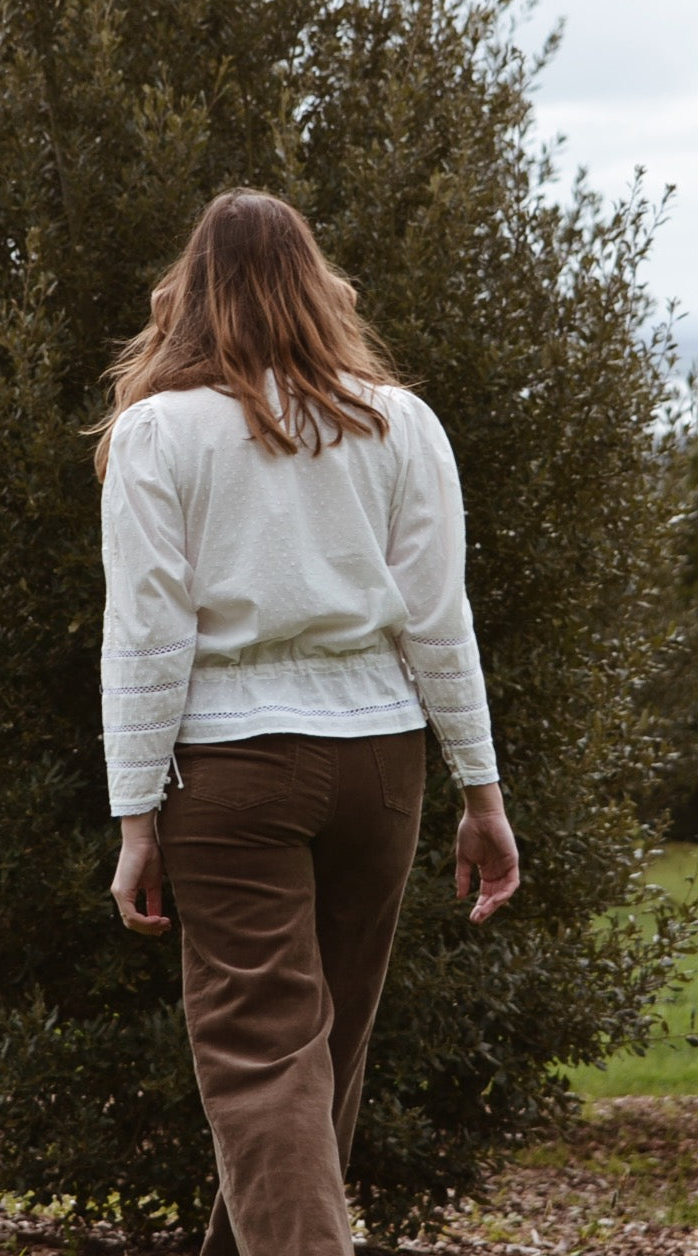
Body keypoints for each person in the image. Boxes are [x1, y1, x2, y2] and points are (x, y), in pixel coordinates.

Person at [94, 188, 519, 1256]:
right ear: (319, 286)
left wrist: (135, 820)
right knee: (313, 1064)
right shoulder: (397, 423)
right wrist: (480, 793)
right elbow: (438, 621)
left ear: (188, 295)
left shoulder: (157, 433)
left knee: (267, 1060)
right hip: (380, 764)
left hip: (231, 771)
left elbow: (146, 635)